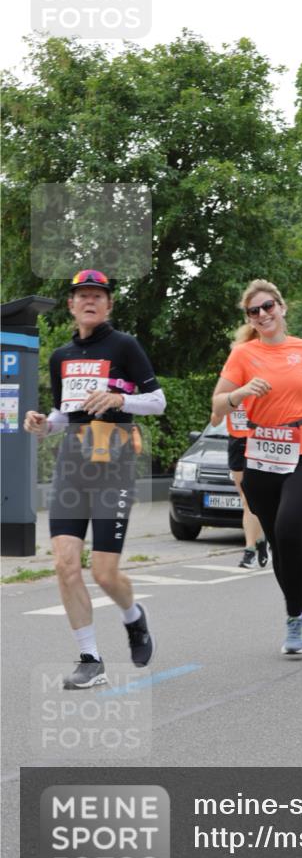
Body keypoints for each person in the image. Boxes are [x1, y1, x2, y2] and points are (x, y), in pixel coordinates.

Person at [23, 269, 166, 688]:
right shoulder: (61, 356)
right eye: (82, 295)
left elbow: (157, 401)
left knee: (104, 573)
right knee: (65, 564)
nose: (89, 301)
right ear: (71, 304)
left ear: (109, 304)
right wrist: (43, 423)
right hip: (71, 466)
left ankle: (133, 618)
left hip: (115, 464)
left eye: (97, 296)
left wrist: (121, 398)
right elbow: (65, 412)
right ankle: (90, 658)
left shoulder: (125, 346)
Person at [210, 279, 302, 654]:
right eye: (254, 311)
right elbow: (217, 407)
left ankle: (293, 618)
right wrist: (238, 393)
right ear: (250, 319)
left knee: (288, 530)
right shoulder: (242, 354)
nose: (263, 314)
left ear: (282, 308)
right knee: (279, 545)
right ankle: (299, 612)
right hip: (262, 456)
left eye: (268, 306)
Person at [223, 330, 270, 570]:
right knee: (246, 499)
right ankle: (260, 541)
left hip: (258, 439)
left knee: (252, 499)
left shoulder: (264, 377)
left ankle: (250, 549)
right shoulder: (232, 377)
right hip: (236, 441)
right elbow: (217, 410)